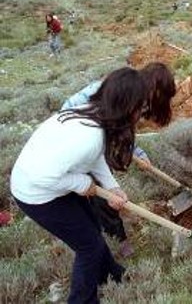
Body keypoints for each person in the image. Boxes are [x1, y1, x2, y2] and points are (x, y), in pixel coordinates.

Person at [11, 67, 146, 303]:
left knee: (92, 228)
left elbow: (92, 156)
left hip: (52, 181)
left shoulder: (92, 113)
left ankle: (112, 275)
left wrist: (112, 187)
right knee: (89, 247)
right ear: (127, 107)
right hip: (36, 193)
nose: (141, 114)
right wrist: (81, 182)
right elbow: (44, 176)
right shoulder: (89, 136)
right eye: (140, 107)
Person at [61, 62, 177, 257]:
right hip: (76, 140)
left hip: (96, 137)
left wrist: (137, 153)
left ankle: (102, 227)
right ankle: (118, 240)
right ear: (154, 87)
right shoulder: (122, 92)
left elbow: (123, 129)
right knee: (103, 196)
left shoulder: (137, 96)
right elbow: (106, 127)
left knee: (106, 189)